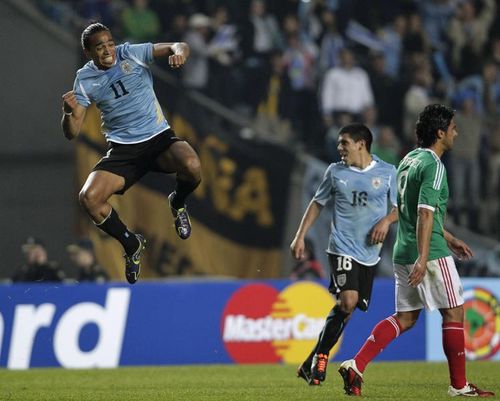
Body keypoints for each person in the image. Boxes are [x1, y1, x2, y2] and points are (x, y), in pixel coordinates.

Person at [338, 104, 494, 397]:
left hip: (403, 251)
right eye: (453, 128)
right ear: (440, 133)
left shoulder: (408, 159)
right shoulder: (434, 165)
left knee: (405, 318)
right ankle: (459, 386)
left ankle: (355, 365)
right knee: (455, 313)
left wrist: (448, 236)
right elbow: (423, 213)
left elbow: (409, 211)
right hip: (428, 254)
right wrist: (426, 256)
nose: (456, 133)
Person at [61, 22, 201, 285]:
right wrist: (69, 113)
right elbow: (72, 131)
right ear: (88, 52)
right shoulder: (85, 78)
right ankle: (131, 243)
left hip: (159, 139)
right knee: (89, 198)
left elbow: (177, 45)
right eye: (99, 47)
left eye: (110, 43)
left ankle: (178, 202)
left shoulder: (130, 53)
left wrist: (179, 52)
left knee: (192, 164)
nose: (107, 50)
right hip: (125, 151)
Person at [290, 123, 398, 386]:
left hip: (369, 255)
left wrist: (385, 221)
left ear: (361, 144)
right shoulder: (335, 172)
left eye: (344, 143)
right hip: (341, 248)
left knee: (347, 311)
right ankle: (322, 357)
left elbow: (399, 208)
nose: (339, 149)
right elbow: (317, 203)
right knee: (348, 302)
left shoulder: (387, 172)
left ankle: (309, 361)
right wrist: (300, 235)